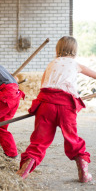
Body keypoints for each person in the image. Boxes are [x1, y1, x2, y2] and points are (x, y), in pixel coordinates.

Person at [17, 36, 96, 183]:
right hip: (66, 105)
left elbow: (43, 85)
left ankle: (23, 171)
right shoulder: (76, 64)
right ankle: (84, 174)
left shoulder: (51, 64)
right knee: (73, 139)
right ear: (75, 50)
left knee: (39, 141)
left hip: (46, 103)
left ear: (57, 49)